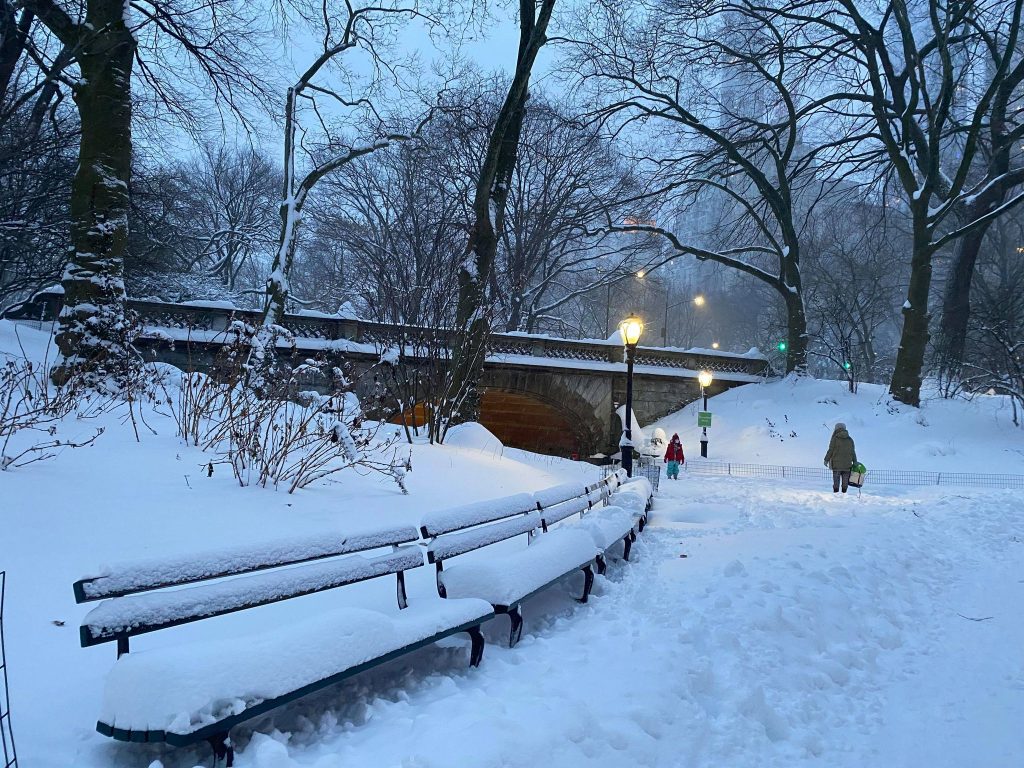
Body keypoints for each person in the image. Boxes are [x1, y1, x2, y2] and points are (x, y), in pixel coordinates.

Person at [824, 422, 857, 493]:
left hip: (836, 464)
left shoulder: (835, 438)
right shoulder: (850, 439)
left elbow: (831, 450)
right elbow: (853, 452)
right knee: (845, 481)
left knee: (836, 481)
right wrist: (855, 462)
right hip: (847, 464)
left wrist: (826, 460)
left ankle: (836, 494)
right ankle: (844, 493)